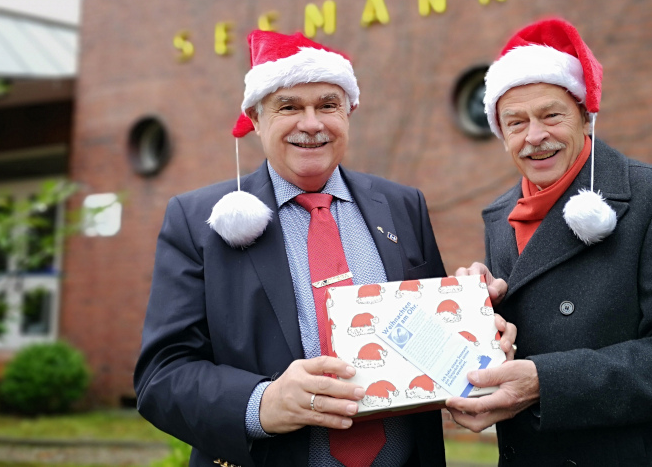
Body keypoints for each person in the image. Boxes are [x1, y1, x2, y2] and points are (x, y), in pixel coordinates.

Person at [135, 29, 516, 467]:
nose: (311, 124)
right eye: (289, 106)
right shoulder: (198, 220)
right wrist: (262, 403)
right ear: (256, 120)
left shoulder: (401, 205)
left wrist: (476, 326)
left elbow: (427, 335)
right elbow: (161, 375)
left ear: (349, 113)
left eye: (328, 105)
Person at [446, 18, 652, 466]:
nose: (534, 136)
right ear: (501, 135)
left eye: (551, 115)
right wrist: (476, 309)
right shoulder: (501, 215)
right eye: (515, 122)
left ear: (584, 114)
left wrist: (548, 382)